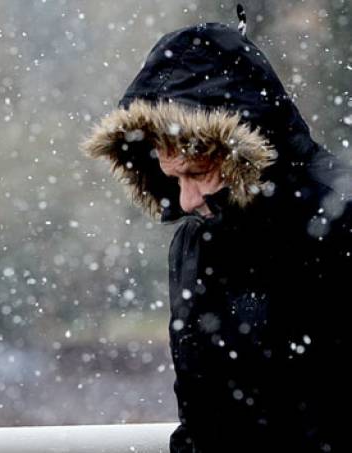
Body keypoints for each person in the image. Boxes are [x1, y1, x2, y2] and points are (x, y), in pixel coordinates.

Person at [80, 10, 348, 453]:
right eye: (173, 178)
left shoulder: (339, 223)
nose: (185, 201)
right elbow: (203, 421)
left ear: (244, 147)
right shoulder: (196, 244)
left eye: (197, 172)